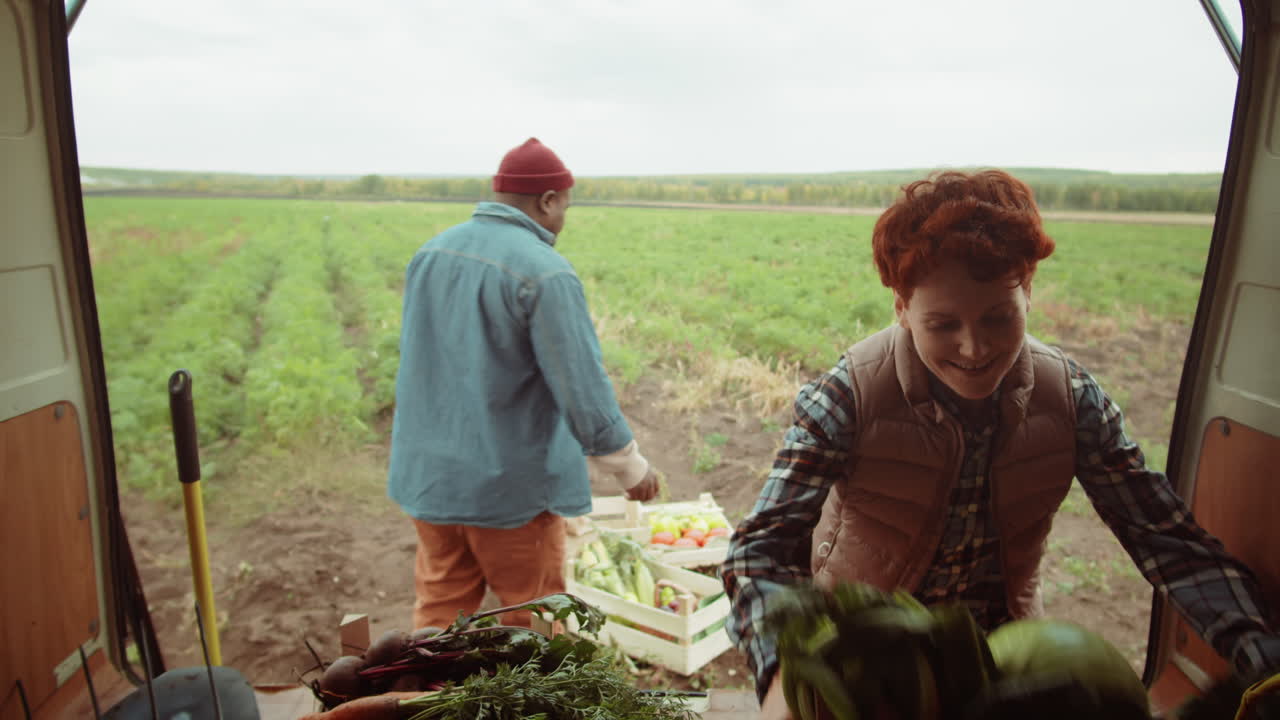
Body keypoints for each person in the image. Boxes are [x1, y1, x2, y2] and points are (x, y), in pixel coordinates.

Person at [718, 169, 1280, 717]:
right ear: (902, 310)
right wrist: (782, 677)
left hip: (1009, 676)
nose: (973, 347)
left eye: (998, 318)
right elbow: (759, 551)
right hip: (873, 683)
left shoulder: (1071, 398)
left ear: (1028, 294)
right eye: (943, 325)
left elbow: (1164, 538)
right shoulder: (851, 395)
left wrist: (1263, 661)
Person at [388, 137, 660, 630]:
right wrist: (629, 467)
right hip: (508, 492)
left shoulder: (430, 253)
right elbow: (583, 388)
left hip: (429, 480)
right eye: (565, 208)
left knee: (441, 619)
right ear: (548, 201)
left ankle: (426, 701)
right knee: (533, 620)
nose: (563, 221)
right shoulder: (545, 272)